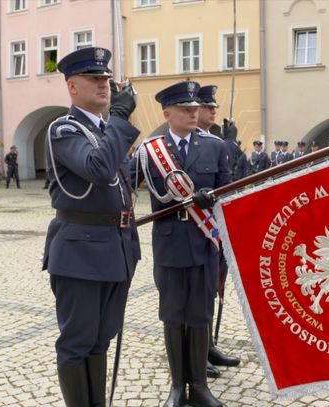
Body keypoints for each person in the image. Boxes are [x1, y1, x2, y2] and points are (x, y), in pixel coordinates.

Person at [42, 47, 141, 406]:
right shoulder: (64, 129)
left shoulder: (104, 131)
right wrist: (119, 118)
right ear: (72, 86)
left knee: (101, 339)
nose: (104, 84)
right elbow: (98, 169)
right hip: (80, 251)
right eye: (94, 78)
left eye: (106, 78)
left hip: (115, 248)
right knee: (77, 342)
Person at [136, 80, 229, 407]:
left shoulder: (216, 147)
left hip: (204, 244)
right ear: (167, 113)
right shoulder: (151, 152)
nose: (193, 113)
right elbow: (123, 184)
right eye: (185, 109)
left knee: (200, 315)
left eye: (195, 108)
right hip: (170, 243)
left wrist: (214, 200)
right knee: (173, 316)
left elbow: (229, 196)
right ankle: (178, 386)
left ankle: (200, 387)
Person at [196, 84, 241, 379]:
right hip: (196, 230)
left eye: (214, 107)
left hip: (215, 231)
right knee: (195, 298)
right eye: (207, 107)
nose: (213, 111)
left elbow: (234, 177)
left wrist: (231, 144)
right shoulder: (185, 144)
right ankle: (196, 353)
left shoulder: (215, 142)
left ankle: (208, 345)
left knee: (212, 291)